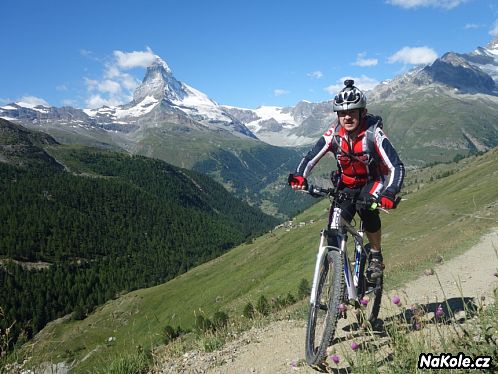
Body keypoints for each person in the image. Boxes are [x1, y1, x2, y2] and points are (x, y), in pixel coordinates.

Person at [288, 79, 405, 280]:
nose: (347, 117)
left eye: (352, 112)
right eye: (342, 113)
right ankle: (339, 287)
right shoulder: (333, 134)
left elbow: (396, 166)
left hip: (373, 181)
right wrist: (300, 176)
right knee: (334, 230)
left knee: (367, 209)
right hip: (346, 184)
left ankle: (375, 255)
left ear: (363, 112)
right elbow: (310, 157)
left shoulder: (373, 133)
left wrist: (390, 192)